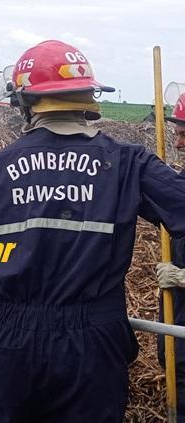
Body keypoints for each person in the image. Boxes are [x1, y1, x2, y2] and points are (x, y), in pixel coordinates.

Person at [0, 40, 185, 422]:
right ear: (88, 97)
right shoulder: (128, 163)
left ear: (25, 102)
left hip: (10, 343)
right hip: (91, 347)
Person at [156, 91, 185, 421]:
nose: (177, 144)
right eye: (176, 134)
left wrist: (182, 276)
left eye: (184, 135)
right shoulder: (181, 185)